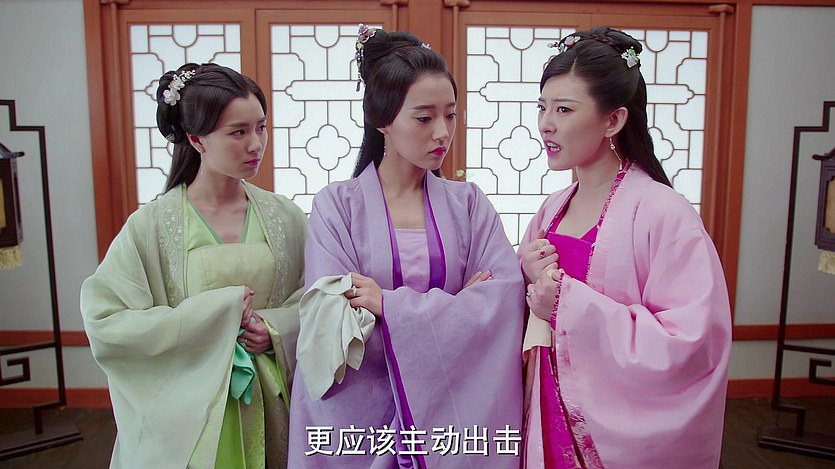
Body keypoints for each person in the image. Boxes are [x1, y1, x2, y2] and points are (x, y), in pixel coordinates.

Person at [287, 25, 524, 468]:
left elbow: (503, 302)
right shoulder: (337, 206)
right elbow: (335, 324)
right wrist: (455, 306)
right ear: (382, 120)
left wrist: (389, 306)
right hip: (357, 417)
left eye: (450, 115)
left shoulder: (469, 204)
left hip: (447, 415)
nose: (442, 132)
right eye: (424, 118)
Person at [518, 27, 731, 468]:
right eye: (542, 107)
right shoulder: (552, 209)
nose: (546, 123)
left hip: (610, 427)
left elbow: (691, 343)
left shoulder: (664, 212)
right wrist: (522, 276)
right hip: (545, 402)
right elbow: (529, 308)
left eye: (563, 109)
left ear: (613, 120)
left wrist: (566, 304)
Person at [80, 63, 306, 468]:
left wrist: (274, 329)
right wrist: (215, 315)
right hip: (193, 413)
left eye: (261, 127)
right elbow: (107, 320)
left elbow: (317, 296)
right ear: (196, 139)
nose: (256, 144)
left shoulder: (285, 216)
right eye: (238, 132)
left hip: (275, 401)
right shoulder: (152, 225)